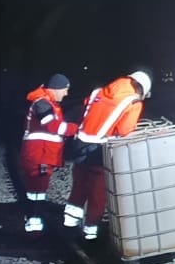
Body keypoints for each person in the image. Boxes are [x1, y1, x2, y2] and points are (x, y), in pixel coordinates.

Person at [63, 68, 151, 240]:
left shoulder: (98, 92)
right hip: (99, 150)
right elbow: (124, 130)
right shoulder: (133, 102)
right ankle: (90, 233)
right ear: (142, 90)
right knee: (98, 193)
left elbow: (86, 112)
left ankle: (69, 224)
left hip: (80, 144)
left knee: (79, 185)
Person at [18, 74, 73, 233]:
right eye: (65, 89)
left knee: (36, 190)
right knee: (37, 190)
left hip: (41, 154)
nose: (66, 93)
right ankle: (34, 227)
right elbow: (52, 126)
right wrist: (76, 129)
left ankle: (34, 222)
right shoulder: (42, 104)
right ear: (56, 88)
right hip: (39, 155)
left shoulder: (46, 103)